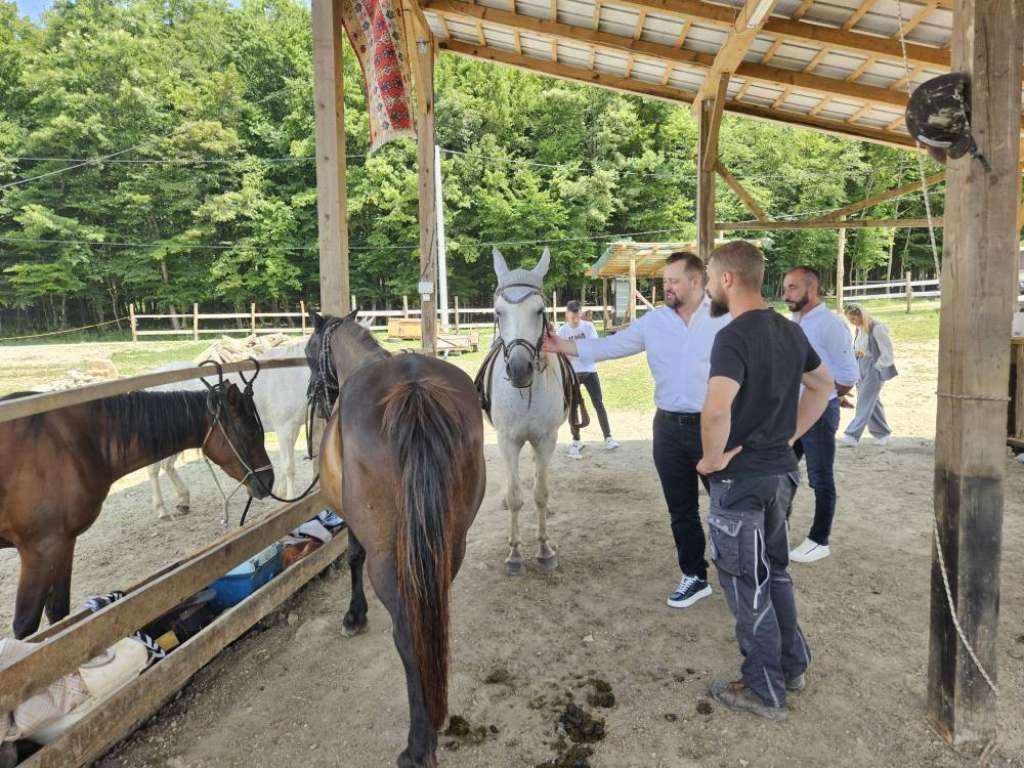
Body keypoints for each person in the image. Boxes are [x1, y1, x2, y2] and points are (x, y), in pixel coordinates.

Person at [544, 252, 730, 609]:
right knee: (682, 509)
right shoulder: (655, 321)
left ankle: (738, 571)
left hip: (714, 425)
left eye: (673, 281)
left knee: (726, 505)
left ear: (695, 281)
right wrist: (559, 345)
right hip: (668, 429)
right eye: (665, 282)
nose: (667, 288)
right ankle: (694, 575)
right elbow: (609, 347)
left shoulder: (725, 317)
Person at [697, 240, 834, 721]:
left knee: (745, 583)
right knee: (776, 573)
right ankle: (793, 666)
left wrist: (712, 460)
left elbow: (716, 409)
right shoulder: (788, 330)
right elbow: (823, 386)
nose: (710, 286)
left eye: (711, 277)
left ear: (728, 279)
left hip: (742, 482)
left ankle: (764, 689)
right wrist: (788, 435)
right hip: (780, 475)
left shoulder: (733, 336)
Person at [782, 267, 859, 564]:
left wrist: (827, 397)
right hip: (793, 411)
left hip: (819, 412)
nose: (785, 294)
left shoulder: (830, 325)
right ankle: (780, 525)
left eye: (792, 288)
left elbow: (849, 375)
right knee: (783, 470)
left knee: (820, 477)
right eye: (786, 288)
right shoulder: (794, 321)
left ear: (811, 290)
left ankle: (819, 539)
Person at [556, 299, 618, 458]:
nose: (575, 321)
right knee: (573, 407)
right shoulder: (563, 331)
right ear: (567, 315)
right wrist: (578, 351)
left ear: (580, 314)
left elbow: (593, 347)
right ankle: (576, 441)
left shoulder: (588, 327)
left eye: (577, 317)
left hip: (590, 371)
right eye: (571, 318)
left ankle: (608, 437)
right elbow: (561, 352)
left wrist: (574, 351)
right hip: (572, 374)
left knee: (598, 403)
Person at [841, 304, 897, 446]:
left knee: (864, 401)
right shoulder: (859, 330)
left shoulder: (877, 328)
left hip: (874, 367)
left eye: (854, 319)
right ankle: (882, 433)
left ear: (862, 315)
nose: (852, 322)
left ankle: (852, 435)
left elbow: (888, 352)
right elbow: (859, 349)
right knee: (872, 401)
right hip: (860, 366)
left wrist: (878, 367)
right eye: (850, 320)